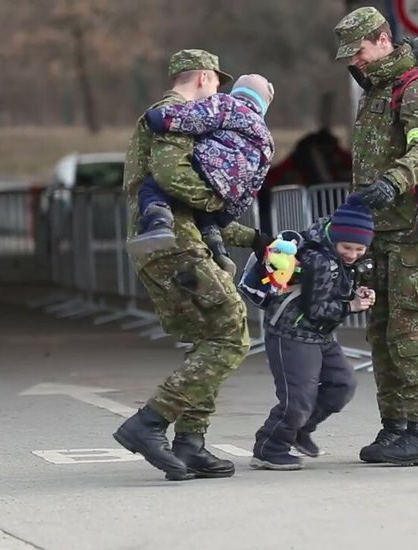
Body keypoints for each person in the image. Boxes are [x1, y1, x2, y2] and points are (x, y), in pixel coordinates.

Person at [113, 49, 274, 481]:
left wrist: (254, 238)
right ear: (204, 76)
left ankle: (190, 444)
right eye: (218, 81)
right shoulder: (175, 113)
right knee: (232, 334)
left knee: (209, 338)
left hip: (172, 240)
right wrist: (221, 203)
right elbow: (174, 178)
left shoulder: (183, 116)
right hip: (175, 244)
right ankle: (148, 424)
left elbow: (190, 203)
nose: (220, 89)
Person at [333, 7, 418, 466]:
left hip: (414, 227)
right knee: (381, 332)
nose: (356, 62)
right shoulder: (375, 92)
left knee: (408, 331)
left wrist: (393, 181)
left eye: (360, 51)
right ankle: (395, 427)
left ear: (383, 39)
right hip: (379, 230)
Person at [251, 195, 376, 470]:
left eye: (360, 249)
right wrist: (352, 305)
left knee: (342, 385)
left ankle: (298, 430)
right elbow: (317, 308)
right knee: (298, 399)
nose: (353, 254)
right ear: (335, 238)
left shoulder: (336, 255)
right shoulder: (319, 259)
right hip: (292, 332)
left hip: (319, 334)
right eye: (348, 247)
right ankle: (270, 447)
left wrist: (355, 293)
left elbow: (331, 289)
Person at [127, 74, 275, 275]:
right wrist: (228, 213)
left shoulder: (227, 104)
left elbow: (196, 117)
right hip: (229, 190)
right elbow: (255, 184)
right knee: (207, 217)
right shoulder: (267, 139)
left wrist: (162, 118)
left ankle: (158, 222)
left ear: (237, 93)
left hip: (206, 165)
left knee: (153, 186)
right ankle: (220, 253)